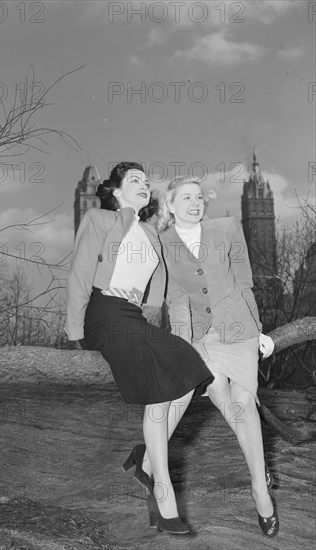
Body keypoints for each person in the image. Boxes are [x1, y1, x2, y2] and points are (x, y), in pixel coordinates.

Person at [66, 162, 213, 535]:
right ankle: (164, 498)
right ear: (115, 190)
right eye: (135, 181)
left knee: (191, 368)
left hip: (134, 318)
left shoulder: (150, 231)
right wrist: (74, 331)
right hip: (103, 313)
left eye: (147, 182)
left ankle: (146, 457)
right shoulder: (98, 220)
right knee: (159, 393)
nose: (144, 185)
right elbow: (81, 273)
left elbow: (160, 287)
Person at [156, 175, 279, 538]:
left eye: (199, 197)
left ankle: (259, 486)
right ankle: (260, 467)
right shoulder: (163, 244)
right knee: (218, 392)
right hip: (200, 333)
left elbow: (243, 281)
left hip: (237, 325)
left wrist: (257, 331)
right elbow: (175, 300)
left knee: (242, 398)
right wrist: (183, 346)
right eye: (186, 198)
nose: (195, 203)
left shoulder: (226, 227)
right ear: (172, 205)